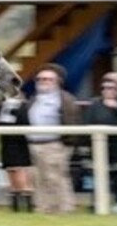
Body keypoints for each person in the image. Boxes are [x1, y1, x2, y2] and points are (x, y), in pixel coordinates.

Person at [26, 63, 80, 213]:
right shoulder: (34, 99)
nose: (43, 82)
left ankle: (64, 208)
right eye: (40, 79)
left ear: (57, 82)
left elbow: (73, 121)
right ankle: (43, 208)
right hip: (34, 144)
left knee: (56, 178)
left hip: (54, 145)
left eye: (48, 79)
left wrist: (66, 144)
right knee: (38, 178)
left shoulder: (65, 100)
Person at [84, 78, 117, 213]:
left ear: (116, 90)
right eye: (104, 88)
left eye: (111, 88)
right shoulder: (94, 105)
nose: (107, 91)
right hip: (98, 148)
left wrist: (116, 107)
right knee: (98, 180)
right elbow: (87, 123)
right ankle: (98, 205)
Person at [0, 95, 34, 212]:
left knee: (20, 170)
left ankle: (27, 204)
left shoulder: (24, 106)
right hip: (6, 143)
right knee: (10, 171)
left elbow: (26, 122)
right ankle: (15, 205)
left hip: (19, 143)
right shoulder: (1, 106)